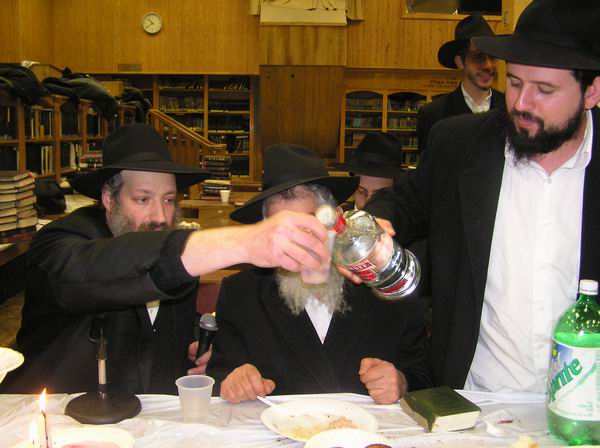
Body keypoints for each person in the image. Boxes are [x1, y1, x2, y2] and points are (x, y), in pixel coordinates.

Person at [364, 0, 600, 394]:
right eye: (516, 82)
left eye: (544, 90)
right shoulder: (458, 144)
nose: (521, 103)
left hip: (585, 405)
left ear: (592, 91)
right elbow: (403, 204)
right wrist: (373, 226)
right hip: (477, 398)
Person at [1, 124, 333, 395]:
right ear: (108, 199)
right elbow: (101, 270)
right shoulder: (58, 244)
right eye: (143, 199)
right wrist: (247, 242)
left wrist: (203, 347)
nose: (160, 217)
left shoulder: (179, 258)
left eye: (169, 200)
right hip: (55, 425)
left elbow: (159, 329)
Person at [206, 143, 432, 404]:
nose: (299, 244)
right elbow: (218, 378)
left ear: (337, 221)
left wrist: (402, 382)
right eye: (284, 231)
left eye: (309, 225)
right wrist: (233, 382)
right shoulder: (240, 294)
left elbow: (425, 375)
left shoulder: (385, 283)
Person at [417, 14, 505, 153]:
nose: (488, 66)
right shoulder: (433, 115)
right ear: (460, 62)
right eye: (478, 58)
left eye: (493, 57)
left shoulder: (510, 109)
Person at [334, 132, 404, 210]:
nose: (368, 204)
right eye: (361, 192)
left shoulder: (405, 217)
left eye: (379, 196)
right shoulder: (337, 216)